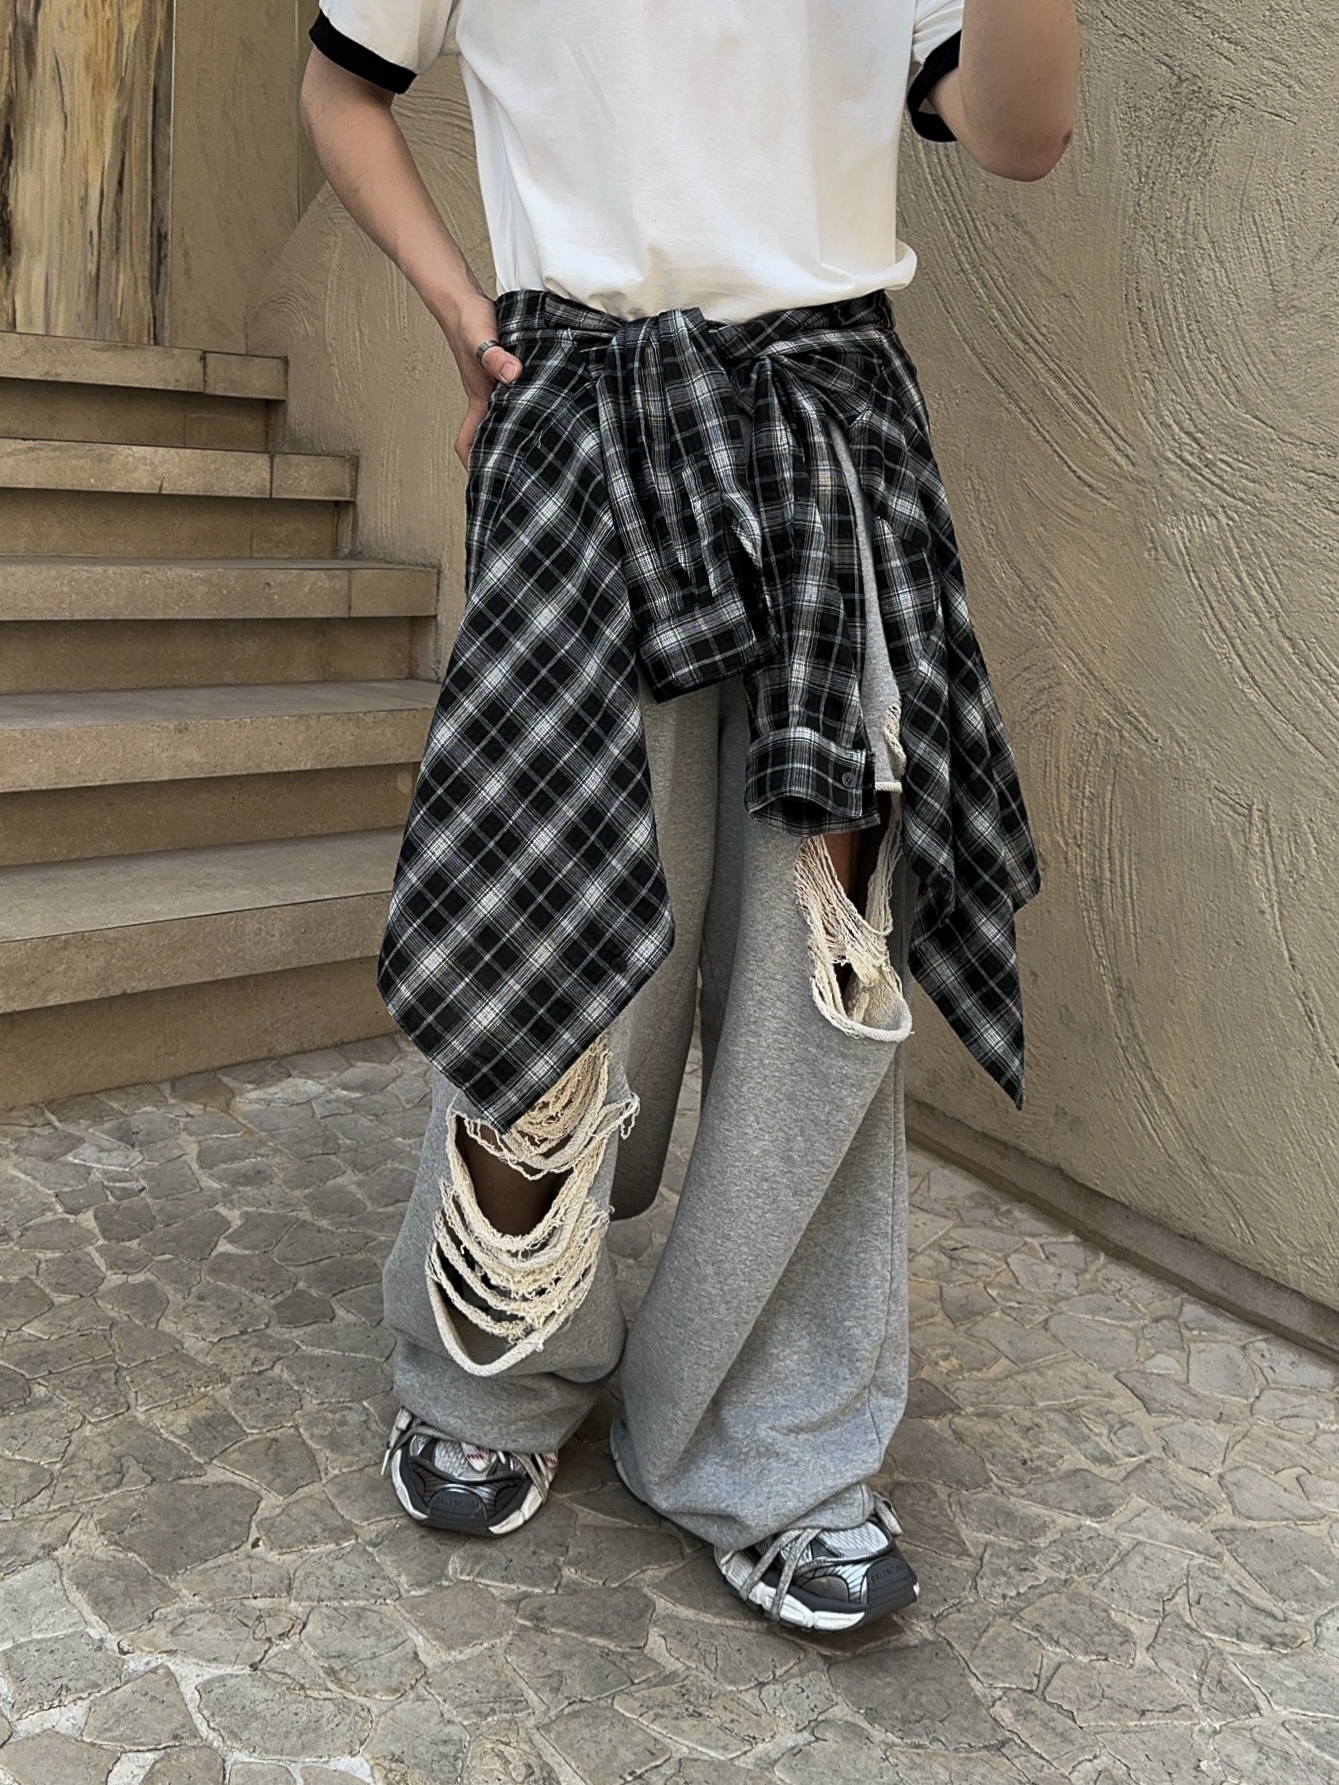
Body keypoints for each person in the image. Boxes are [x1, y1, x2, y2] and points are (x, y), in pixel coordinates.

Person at [300, 0, 1077, 1632]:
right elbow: (342, 82)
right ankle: (493, 1363)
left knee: (818, 971)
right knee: (547, 918)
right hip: (577, 409)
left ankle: (770, 1438)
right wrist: (460, 311)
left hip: (828, 426)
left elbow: (1021, 129)